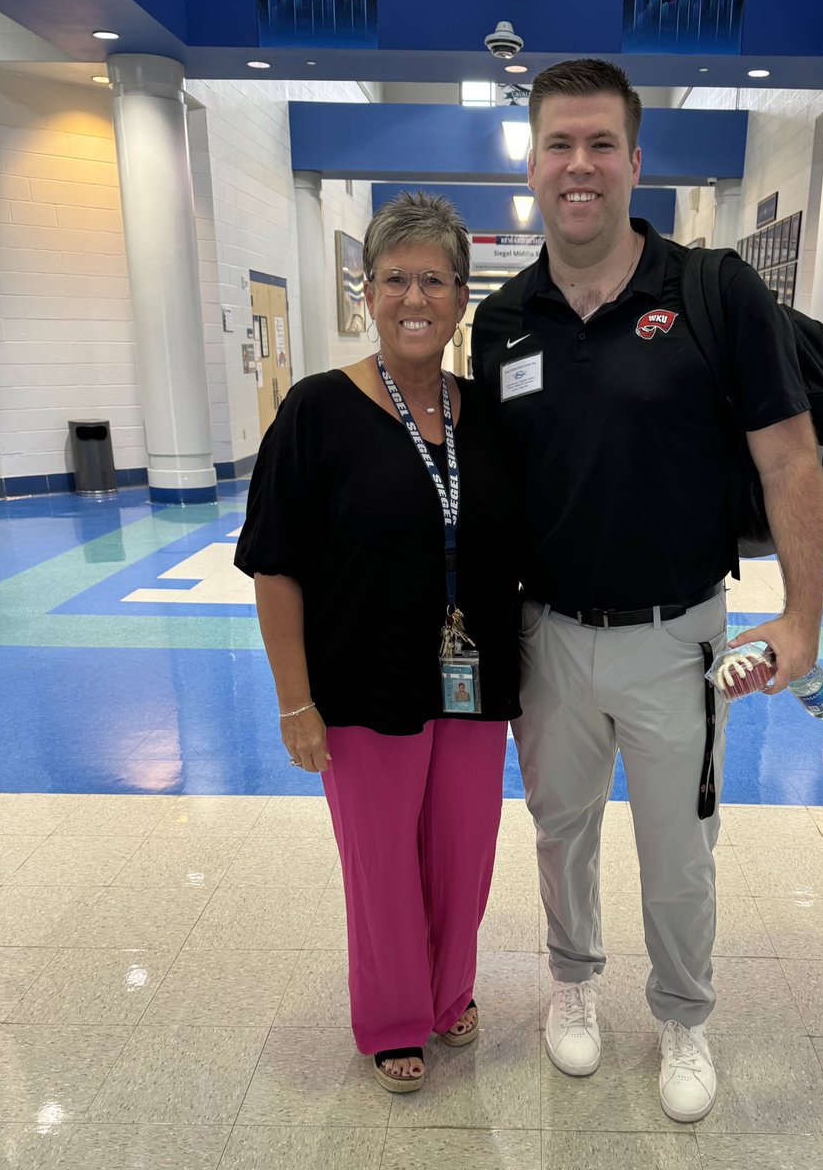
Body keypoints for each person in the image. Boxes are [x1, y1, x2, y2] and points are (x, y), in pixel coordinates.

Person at [471, 60, 823, 1123]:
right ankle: (573, 987)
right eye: (556, 146)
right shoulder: (502, 322)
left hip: (683, 638)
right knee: (558, 832)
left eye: (598, 145)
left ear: (635, 159)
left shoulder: (713, 292)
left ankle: (682, 1012)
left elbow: (792, 462)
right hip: (548, 635)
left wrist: (802, 620)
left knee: (681, 851)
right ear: (530, 164)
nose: (577, 167)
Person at [236, 190, 520, 1094]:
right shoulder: (318, 412)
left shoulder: (490, 418)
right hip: (361, 687)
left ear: (460, 296)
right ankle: (396, 1017)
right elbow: (275, 565)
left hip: (472, 684)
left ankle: (450, 993)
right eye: (394, 277)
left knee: (463, 852)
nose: (413, 297)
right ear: (366, 291)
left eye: (433, 279)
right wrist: (296, 700)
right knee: (382, 864)